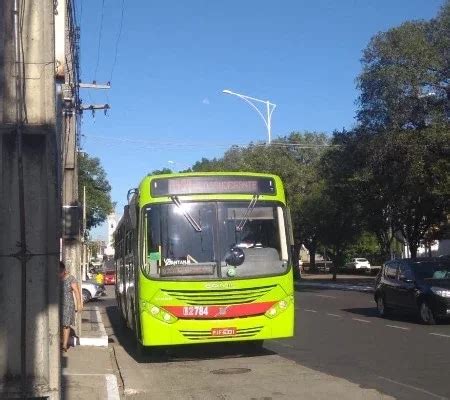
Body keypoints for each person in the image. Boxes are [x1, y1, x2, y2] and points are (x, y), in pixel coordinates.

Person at [60, 261, 82, 352]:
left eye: (60, 270)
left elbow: (76, 292)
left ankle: (64, 345)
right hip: (56, 305)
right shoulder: (54, 278)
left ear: (64, 270)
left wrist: (79, 304)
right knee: (58, 324)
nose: (59, 272)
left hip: (68, 305)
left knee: (66, 324)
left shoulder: (71, 278)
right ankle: (60, 341)